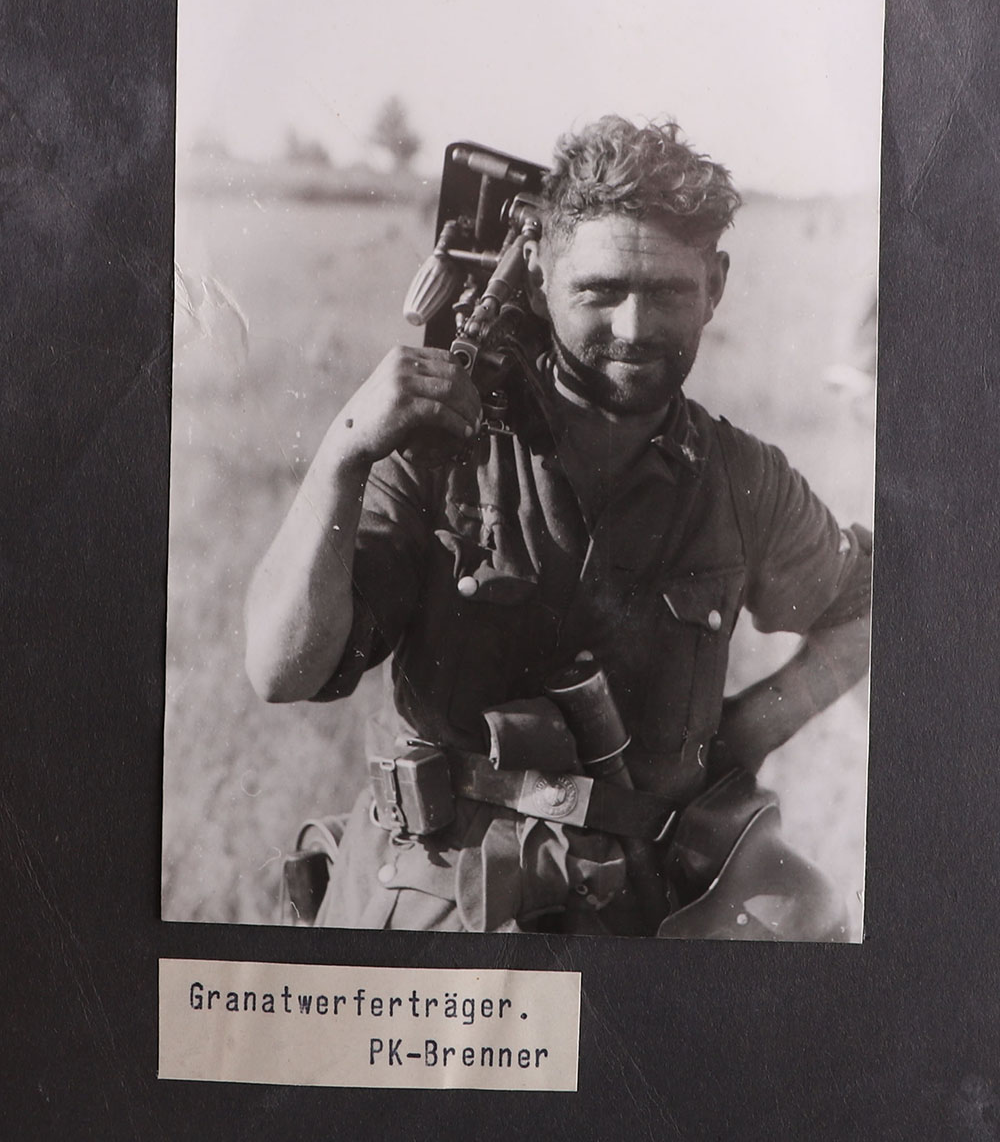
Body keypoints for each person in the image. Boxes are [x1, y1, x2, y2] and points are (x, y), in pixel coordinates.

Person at [245, 116, 872, 939]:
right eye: (599, 290)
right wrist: (342, 456)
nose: (634, 328)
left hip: (649, 912)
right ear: (538, 269)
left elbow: (870, 606)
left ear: (716, 284)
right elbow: (280, 671)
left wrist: (750, 729)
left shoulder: (743, 480)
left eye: (670, 293)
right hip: (434, 900)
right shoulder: (438, 454)